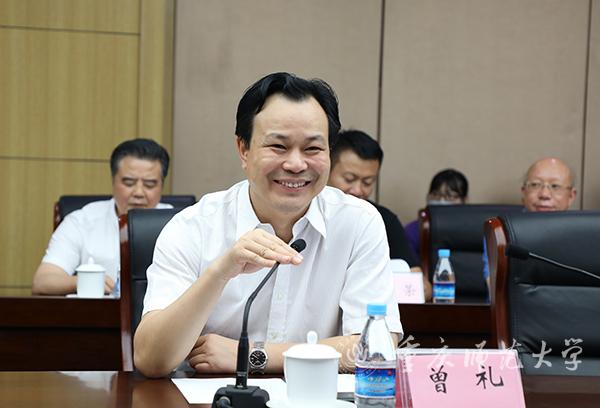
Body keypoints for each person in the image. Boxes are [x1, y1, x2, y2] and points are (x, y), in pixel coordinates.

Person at [133, 72, 402, 378]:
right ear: (243, 149)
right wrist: (220, 273)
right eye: (278, 146)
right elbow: (150, 359)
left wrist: (252, 354)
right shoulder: (193, 227)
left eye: (313, 149)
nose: (296, 164)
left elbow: (376, 347)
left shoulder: (358, 222)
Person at [32, 138, 172, 296]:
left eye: (149, 184)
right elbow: (43, 281)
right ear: (113, 181)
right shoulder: (82, 221)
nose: (138, 193)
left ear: (162, 186)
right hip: (99, 311)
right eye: (129, 182)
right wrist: (85, 281)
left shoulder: (179, 224)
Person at [328, 129, 432, 301]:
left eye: (367, 182)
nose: (358, 190)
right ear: (327, 169)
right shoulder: (305, 212)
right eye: (349, 179)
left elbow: (423, 288)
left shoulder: (383, 219)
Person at [483, 157, 576, 285]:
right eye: (535, 185)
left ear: (571, 196)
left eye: (555, 186)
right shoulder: (501, 230)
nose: (544, 194)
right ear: (524, 192)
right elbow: (493, 286)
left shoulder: (584, 234)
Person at [404, 169, 469, 257]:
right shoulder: (414, 230)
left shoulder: (472, 231)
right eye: (436, 194)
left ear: (464, 200)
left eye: (450, 196)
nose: (441, 200)